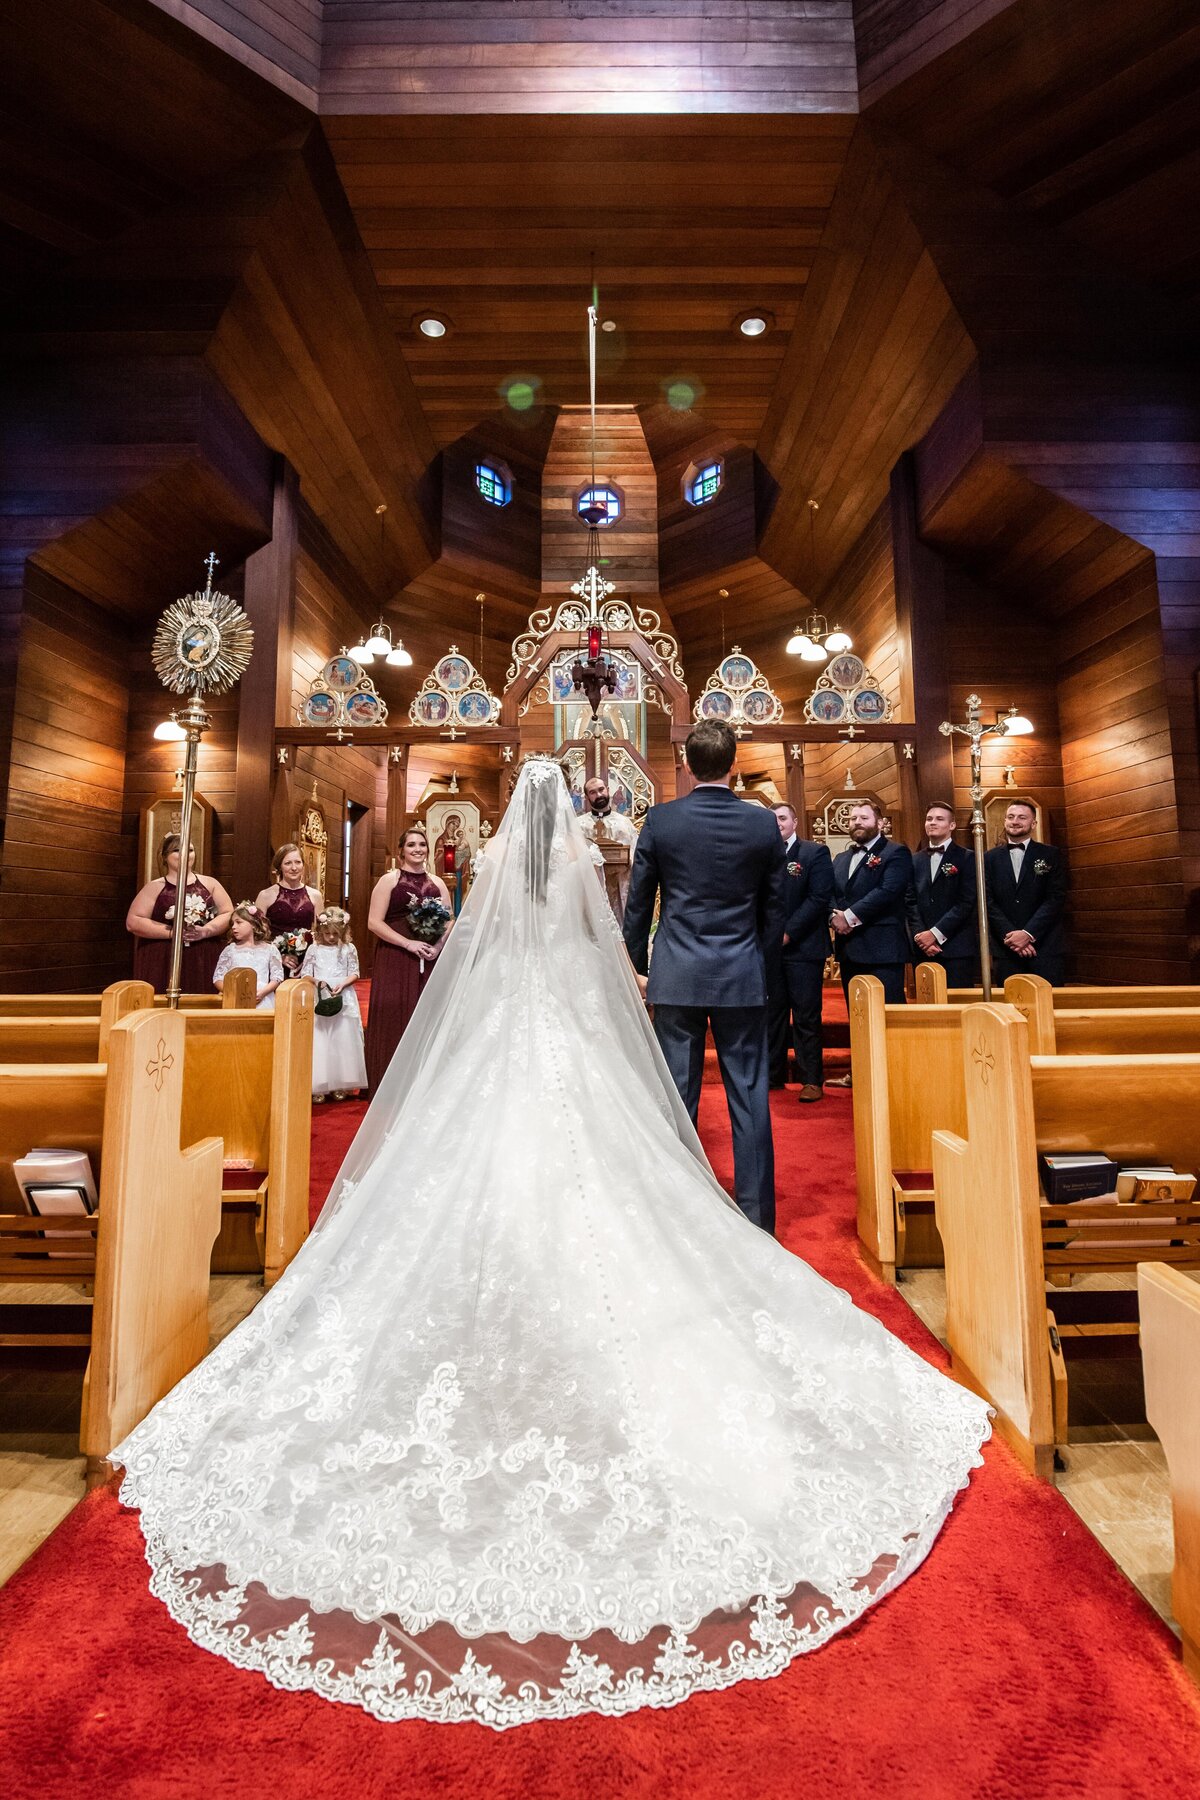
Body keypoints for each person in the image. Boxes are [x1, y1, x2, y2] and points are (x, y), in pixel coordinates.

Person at [110, 757, 990, 1730]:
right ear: (564, 821)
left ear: (500, 831)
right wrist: (614, 983)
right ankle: (718, 1227)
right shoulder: (584, 861)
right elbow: (607, 946)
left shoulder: (486, 864)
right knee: (622, 1157)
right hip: (586, 1016)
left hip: (502, 1028)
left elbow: (483, 955)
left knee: (467, 1155)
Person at [623, 720, 785, 1234]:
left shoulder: (663, 820)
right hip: (741, 971)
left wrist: (638, 965)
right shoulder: (761, 824)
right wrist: (754, 959)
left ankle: (679, 1213)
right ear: (733, 766)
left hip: (678, 971)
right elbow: (776, 906)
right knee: (749, 1093)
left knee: (677, 1094)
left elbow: (638, 900)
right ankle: (757, 1218)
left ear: (688, 767)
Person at [363, 826, 452, 1094]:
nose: (417, 849)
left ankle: (425, 1080)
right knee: (396, 1013)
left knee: (426, 1013)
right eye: (411, 845)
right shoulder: (389, 881)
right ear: (401, 850)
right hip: (396, 957)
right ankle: (390, 1083)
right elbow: (373, 922)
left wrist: (436, 946)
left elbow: (449, 920)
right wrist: (407, 943)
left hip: (428, 956)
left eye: (422, 845)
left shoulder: (437, 884)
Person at [767, 803, 833, 1103]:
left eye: (782, 818)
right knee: (773, 1014)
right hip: (770, 948)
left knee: (806, 1015)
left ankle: (810, 1079)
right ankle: (773, 1075)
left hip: (804, 947)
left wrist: (788, 932)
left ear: (794, 821)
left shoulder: (813, 853)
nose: (777, 823)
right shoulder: (762, 855)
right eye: (772, 819)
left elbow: (818, 898)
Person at [829, 800, 912, 1008]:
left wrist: (847, 917)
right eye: (853, 818)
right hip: (849, 948)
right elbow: (828, 892)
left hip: (882, 949)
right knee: (857, 1016)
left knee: (887, 1015)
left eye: (864, 818)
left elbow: (888, 891)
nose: (857, 822)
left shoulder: (895, 852)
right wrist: (832, 917)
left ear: (880, 823)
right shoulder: (840, 858)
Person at [126, 835, 233, 994]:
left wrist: (206, 930)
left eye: (190, 850)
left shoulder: (210, 884)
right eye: (177, 850)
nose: (185, 854)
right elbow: (133, 922)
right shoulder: (155, 887)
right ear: (164, 857)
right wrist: (173, 933)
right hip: (164, 955)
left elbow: (227, 913)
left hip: (203, 954)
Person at [985, 799, 1069, 987]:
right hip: (1006, 948)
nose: (1015, 821)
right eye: (1010, 817)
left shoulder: (1051, 855)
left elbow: (1055, 898)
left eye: (1022, 817)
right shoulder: (989, 858)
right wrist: (1012, 936)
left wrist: (1028, 934)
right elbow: (988, 901)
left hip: (1045, 946)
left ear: (1033, 823)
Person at [907, 802, 978, 989]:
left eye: (939, 819)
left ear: (952, 825)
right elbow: (910, 901)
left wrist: (935, 934)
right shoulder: (915, 860)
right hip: (923, 947)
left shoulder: (967, 857)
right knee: (927, 1007)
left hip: (956, 946)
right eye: (929, 819)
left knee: (958, 1006)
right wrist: (920, 936)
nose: (932, 823)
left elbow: (966, 902)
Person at [300, 906, 367, 1101]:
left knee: (342, 1037)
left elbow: (355, 972)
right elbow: (305, 973)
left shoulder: (348, 949)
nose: (330, 937)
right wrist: (317, 982)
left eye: (334, 934)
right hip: (320, 993)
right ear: (320, 931)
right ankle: (319, 1084)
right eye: (327, 933)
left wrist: (344, 983)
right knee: (321, 1038)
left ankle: (342, 1083)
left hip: (342, 993)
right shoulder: (314, 949)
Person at [255, 844, 322, 978]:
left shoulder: (315, 895)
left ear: (303, 865)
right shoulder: (265, 895)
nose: (294, 868)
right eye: (288, 863)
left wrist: (309, 958)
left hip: (307, 962)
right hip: (275, 961)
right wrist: (280, 956)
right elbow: (258, 935)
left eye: (298, 862)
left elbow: (320, 933)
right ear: (280, 866)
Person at [578, 773, 638, 917]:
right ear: (587, 797)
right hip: (589, 890)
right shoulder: (579, 825)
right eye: (592, 792)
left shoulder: (625, 824)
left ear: (608, 790)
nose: (598, 794)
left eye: (601, 789)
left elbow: (636, 857)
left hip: (619, 885)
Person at [212, 903, 284, 1011]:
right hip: (235, 1000)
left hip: (263, 999)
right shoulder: (231, 950)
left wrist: (263, 993)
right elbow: (218, 978)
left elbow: (277, 976)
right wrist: (233, 993)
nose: (233, 927)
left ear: (253, 925)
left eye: (239, 922)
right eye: (232, 924)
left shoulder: (270, 949)